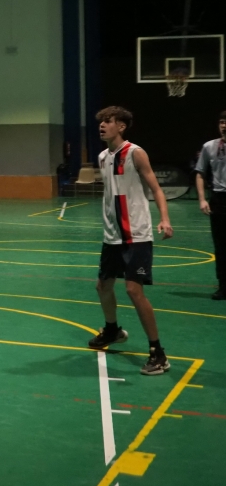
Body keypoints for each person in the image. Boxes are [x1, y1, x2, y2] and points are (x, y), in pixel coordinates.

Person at [87, 107, 173, 375]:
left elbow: (156, 188)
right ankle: (112, 330)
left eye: (108, 122)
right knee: (103, 286)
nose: (102, 126)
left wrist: (165, 218)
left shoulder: (135, 153)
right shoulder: (103, 157)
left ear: (121, 126)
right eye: (101, 122)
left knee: (134, 291)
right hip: (112, 235)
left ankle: (158, 353)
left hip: (136, 233)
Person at [195, 111, 226, 300]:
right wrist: (202, 199)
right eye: (222, 122)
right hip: (219, 199)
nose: (224, 125)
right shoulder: (209, 146)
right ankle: (223, 286)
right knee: (221, 245)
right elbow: (200, 173)